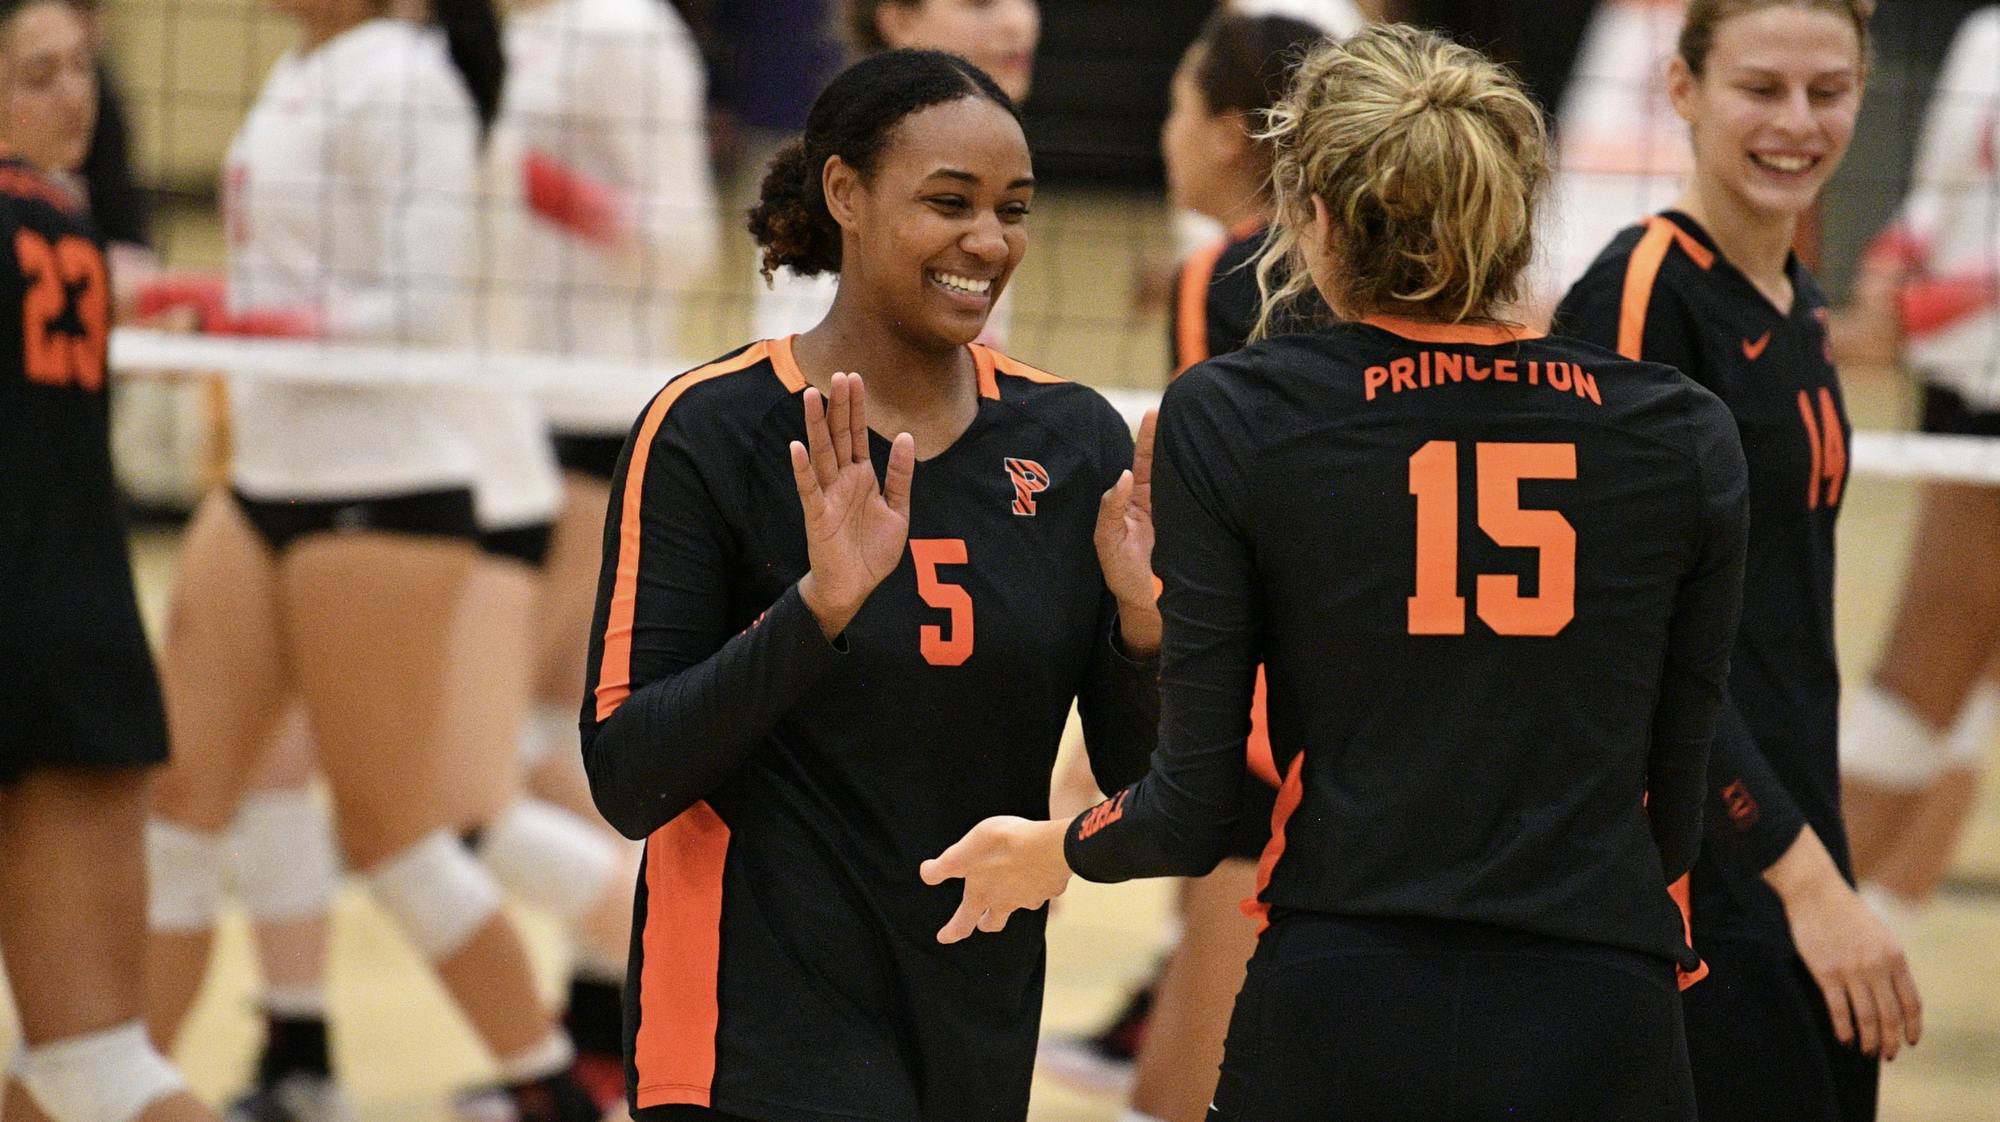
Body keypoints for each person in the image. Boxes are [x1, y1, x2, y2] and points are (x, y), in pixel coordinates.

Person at [926, 23, 1754, 1119]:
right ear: (1516, 215)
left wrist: (1050, 850)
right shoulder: (1681, 434)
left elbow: (1194, 805)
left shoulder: (1240, 415)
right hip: (1598, 1000)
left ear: (1311, 220)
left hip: (1346, 993)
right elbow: (1674, 802)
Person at [580, 48, 1161, 1120]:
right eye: (948, 202)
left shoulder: (1072, 441)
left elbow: (1143, 783)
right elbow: (628, 774)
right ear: (843, 193)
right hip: (748, 1021)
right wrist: (818, 608)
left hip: (969, 1013)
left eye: (1012, 209)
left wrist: (1139, 625)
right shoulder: (711, 429)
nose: (988, 242)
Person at [136, 1, 597, 1118]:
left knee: (396, 838)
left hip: (384, 489)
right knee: (179, 811)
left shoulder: (405, 76)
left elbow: (419, 306)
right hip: (264, 479)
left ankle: (550, 1090)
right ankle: (109, 1082)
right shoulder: (311, 64)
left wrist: (244, 318)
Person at [1553, 1, 1922, 1116]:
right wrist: (1797, 878)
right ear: (1682, 91)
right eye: (1759, 89)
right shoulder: (1638, 296)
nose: (1796, 124)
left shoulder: (1798, 303)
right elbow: (1619, 635)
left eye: (1828, 91)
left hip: (1786, 838)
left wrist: (1813, 867)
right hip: (1685, 866)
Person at [1037, 14, 1330, 1121]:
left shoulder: (1221, 275)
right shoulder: (1340, 270)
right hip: (1380, 712)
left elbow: (1209, 528)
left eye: (1169, 109)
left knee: (1185, 1095)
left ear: (1218, 134)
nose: (1160, 134)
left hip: (1263, 730)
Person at [0, 2, 216, 1120]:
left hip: (40, 638)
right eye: (41, 72)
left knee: (88, 1069)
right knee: (79, 1072)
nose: (74, 95)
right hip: (81, 635)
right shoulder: (71, 232)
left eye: (82, 69)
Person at [1835, 4, 2000, 938]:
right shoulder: (1985, 36)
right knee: (1948, 667)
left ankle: (1831, 957)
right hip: (1968, 383)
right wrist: (1889, 270)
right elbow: (1939, 199)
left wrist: (1903, 320)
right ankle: (1857, 949)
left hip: (1968, 358)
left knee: (1943, 666)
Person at [752, 0, 1041, 341]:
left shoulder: (984, 172)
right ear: (900, 22)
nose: (1018, 21)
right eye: (979, 4)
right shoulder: (853, 195)